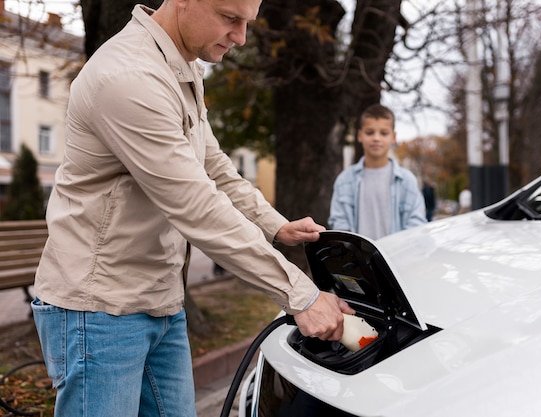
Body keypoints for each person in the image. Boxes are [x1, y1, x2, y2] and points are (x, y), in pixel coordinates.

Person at [31, 1, 354, 416]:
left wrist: (274, 225)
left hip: (160, 299)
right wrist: (301, 295)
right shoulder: (129, 77)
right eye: (229, 18)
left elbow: (212, 166)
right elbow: (194, 204)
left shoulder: (181, 68)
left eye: (246, 22)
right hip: (100, 310)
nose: (240, 38)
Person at [328, 104, 427, 239]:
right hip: (357, 259)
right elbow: (339, 223)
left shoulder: (407, 180)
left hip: (396, 258)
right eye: (369, 132)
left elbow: (416, 225)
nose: (376, 138)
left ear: (393, 137)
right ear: (360, 135)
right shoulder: (344, 180)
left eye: (384, 133)